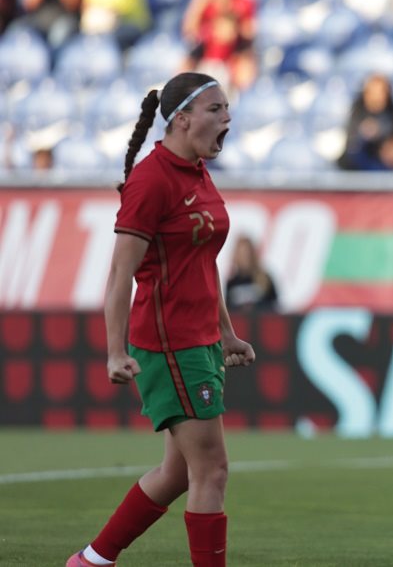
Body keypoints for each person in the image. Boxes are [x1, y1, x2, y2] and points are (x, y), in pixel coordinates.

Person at [66, 72, 255, 567]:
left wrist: (227, 332)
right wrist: (114, 349)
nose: (227, 117)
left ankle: (91, 560)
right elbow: (119, 274)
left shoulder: (196, 170)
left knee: (177, 472)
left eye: (227, 108)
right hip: (170, 344)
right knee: (211, 470)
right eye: (216, 109)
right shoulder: (152, 181)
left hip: (200, 340)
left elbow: (203, 264)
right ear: (182, 119)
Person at [225, 234, 279, 311]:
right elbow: (229, 310)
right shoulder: (232, 283)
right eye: (241, 254)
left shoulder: (265, 280)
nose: (244, 257)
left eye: (246, 253)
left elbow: (274, 307)